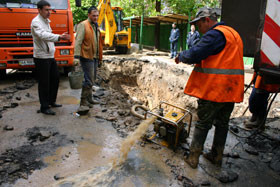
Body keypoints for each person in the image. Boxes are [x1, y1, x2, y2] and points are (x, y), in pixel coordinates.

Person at [175, 7, 244, 168]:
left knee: (203, 123)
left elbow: (196, 53)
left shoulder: (215, 34)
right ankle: (216, 156)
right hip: (230, 90)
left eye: (199, 25)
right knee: (222, 123)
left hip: (214, 89)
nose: (200, 29)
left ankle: (193, 158)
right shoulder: (233, 34)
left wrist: (182, 56)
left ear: (207, 20)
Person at [31, 0, 70, 115]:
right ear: (39, 10)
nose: (49, 12)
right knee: (44, 82)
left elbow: (48, 36)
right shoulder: (36, 22)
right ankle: (44, 106)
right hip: (41, 57)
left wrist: (58, 37)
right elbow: (43, 35)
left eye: (50, 9)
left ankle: (51, 101)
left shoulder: (46, 21)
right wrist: (59, 37)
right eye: (46, 10)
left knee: (55, 78)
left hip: (49, 56)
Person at [73, 5, 103, 115]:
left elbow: (98, 42)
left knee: (92, 78)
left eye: (97, 16)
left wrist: (100, 58)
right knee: (88, 80)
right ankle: (83, 103)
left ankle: (90, 99)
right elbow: (78, 41)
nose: (96, 17)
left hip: (94, 56)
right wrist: (76, 57)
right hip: (86, 56)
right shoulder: (83, 25)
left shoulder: (95, 26)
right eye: (94, 15)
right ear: (89, 15)